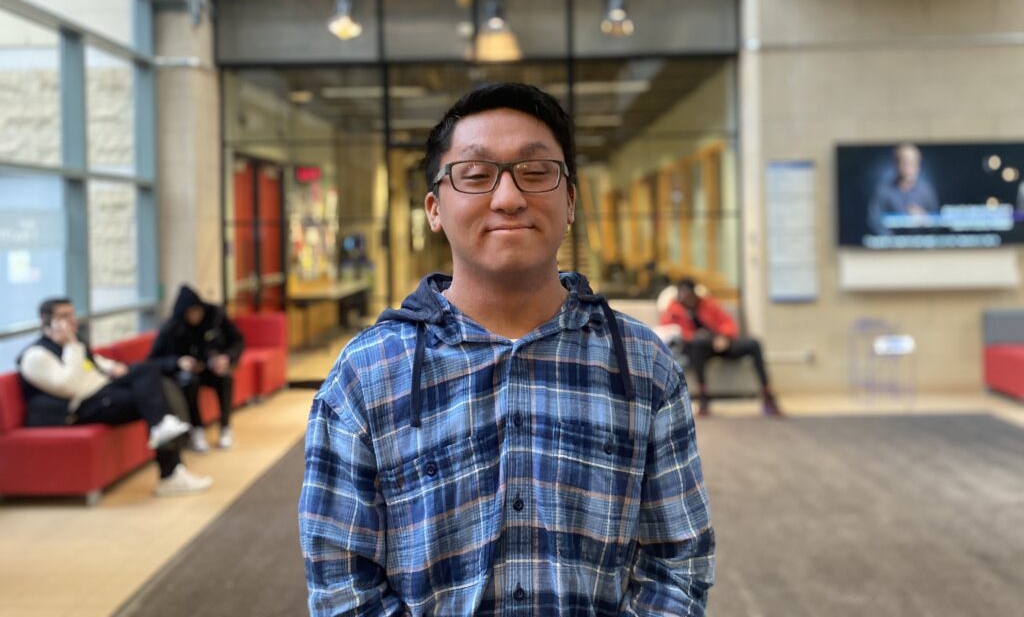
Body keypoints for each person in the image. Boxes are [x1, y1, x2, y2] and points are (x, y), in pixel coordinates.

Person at [299, 83, 715, 615]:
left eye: (536, 171)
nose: (508, 197)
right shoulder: (366, 375)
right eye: (475, 175)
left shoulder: (641, 365)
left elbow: (678, 565)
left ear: (570, 200)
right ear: (434, 208)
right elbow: (342, 585)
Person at [17, 298, 213, 497]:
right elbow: (70, 386)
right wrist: (71, 345)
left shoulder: (74, 345)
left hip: (104, 391)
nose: (71, 320)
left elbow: (94, 362)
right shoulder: (36, 356)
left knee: (149, 373)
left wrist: (114, 367)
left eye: (72, 314)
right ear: (46, 320)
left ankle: (168, 456)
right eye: (63, 316)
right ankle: (169, 469)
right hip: (82, 406)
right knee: (155, 402)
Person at [660, 278, 781, 417]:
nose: (687, 298)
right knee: (698, 346)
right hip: (695, 348)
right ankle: (703, 397)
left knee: (754, 344)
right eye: (683, 295)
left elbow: (727, 322)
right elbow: (670, 331)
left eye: (689, 295)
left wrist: (724, 337)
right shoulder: (673, 308)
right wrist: (693, 336)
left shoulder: (707, 304)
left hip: (719, 343)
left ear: (694, 294)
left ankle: (767, 395)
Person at [148, 285, 244, 451]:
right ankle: (197, 430)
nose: (195, 316)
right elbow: (153, 360)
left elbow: (237, 340)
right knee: (189, 382)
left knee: (225, 378)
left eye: (197, 311)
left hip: (210, 368)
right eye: (191, 312)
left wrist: (226, 357)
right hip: (183, 375)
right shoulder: (171, 328)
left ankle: (225, 428)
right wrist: (178, 362)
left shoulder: (215, 317)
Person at [868, 142, 939, 234]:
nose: (909, 168)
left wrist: (925, 219)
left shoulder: (926, 191)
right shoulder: (883, 190)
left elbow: (939, 225)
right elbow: (873, 221)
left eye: (913, 163)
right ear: (896, 164)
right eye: (905, 162)